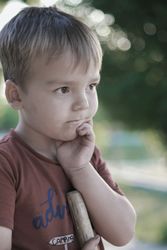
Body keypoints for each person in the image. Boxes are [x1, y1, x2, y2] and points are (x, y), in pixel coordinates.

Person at [0, 5, 136, 250]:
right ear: (15, 94)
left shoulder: (85, 154)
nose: (83, 103)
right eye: (63, 89)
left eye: (91, 85)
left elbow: (123, 232)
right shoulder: (6, 164)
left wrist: (80, 168)